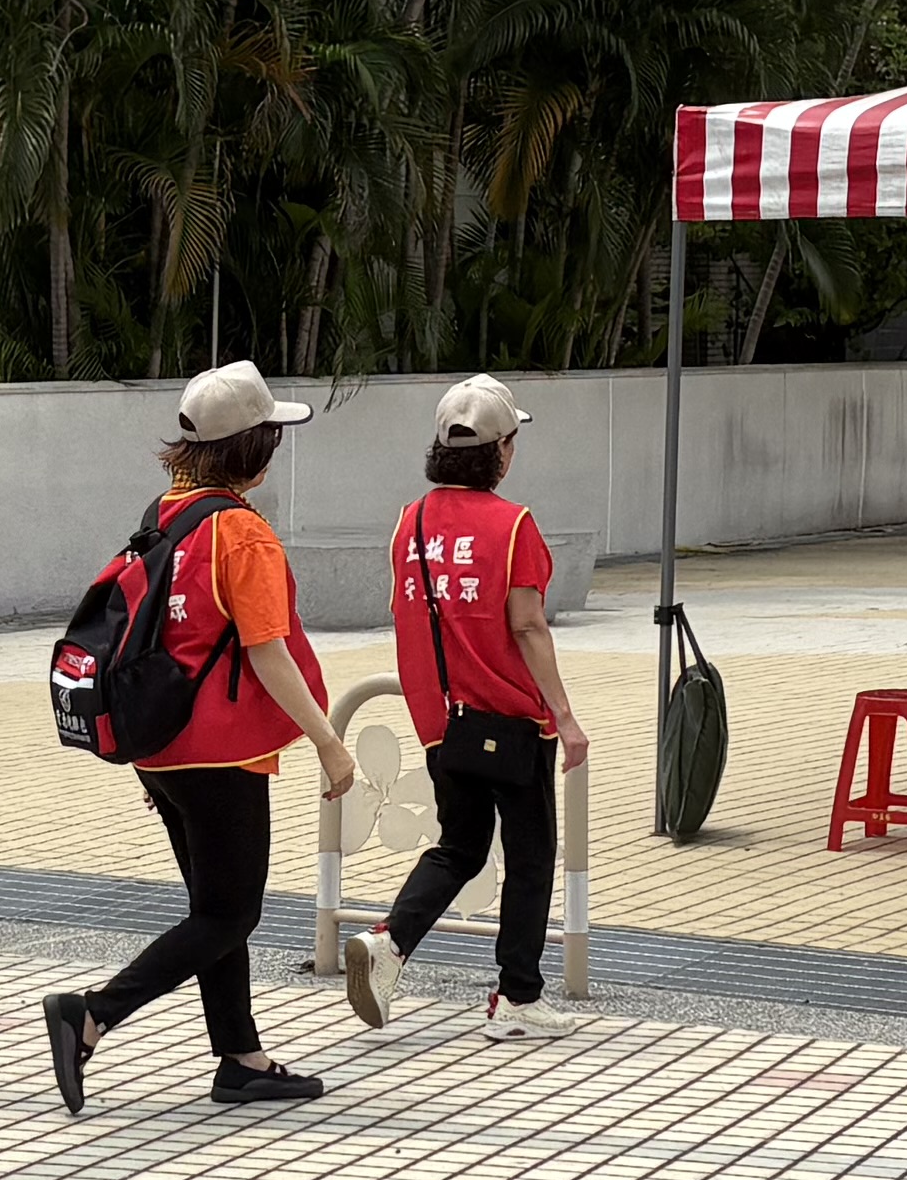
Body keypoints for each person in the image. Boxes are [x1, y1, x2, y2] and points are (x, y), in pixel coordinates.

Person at [44, 361, 368, 1117]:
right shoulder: (242, 534)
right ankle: (90, 1014)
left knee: (216, 905)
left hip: (158, 743)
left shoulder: (167, 513)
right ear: (253, 448)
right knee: (229, 913)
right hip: (219, 750)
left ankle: (240, 1058)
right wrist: (328, 741)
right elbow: (267, 650)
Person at [347, 372, 593, 1046]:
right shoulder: (513, 526)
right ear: (502, 451)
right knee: (531, 852)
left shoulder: (410, 522)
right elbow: (529, 626)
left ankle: (390, 943)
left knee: (459, 844)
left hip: (441, 721)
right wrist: (565, 717)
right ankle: (517, 997)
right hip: (512, 719)